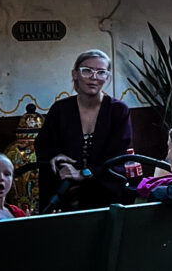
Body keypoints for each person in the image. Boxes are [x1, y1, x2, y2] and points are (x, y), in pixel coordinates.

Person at [34, 49, 134, 209]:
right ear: (75, 74)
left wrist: (83, 174)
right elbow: (44, 147)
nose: (94, 77)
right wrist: (57, 159)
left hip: (105, 194)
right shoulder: (60, 110)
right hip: (64, 192)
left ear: (107, 77)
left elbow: (118, 156)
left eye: (101, 72)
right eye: (87, 71)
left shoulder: (118, 110)